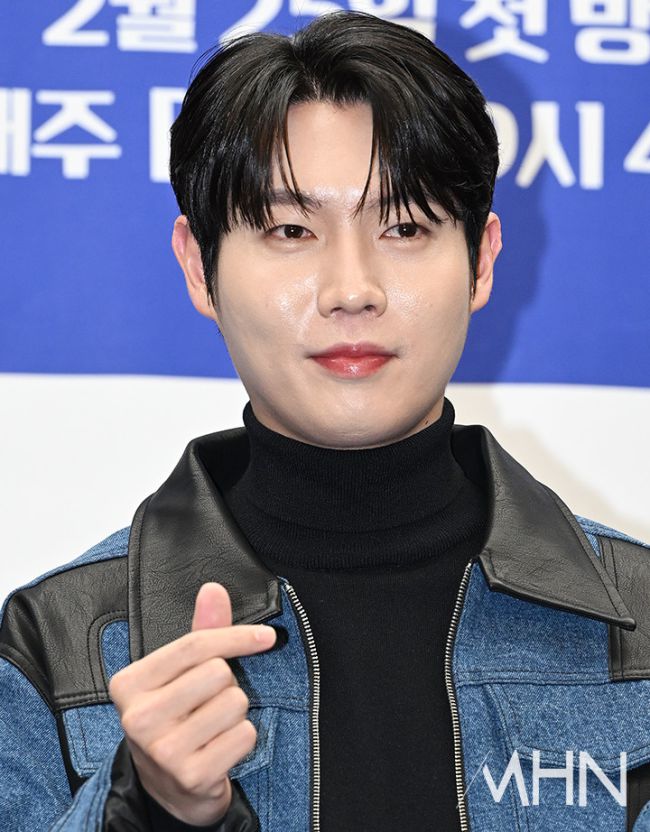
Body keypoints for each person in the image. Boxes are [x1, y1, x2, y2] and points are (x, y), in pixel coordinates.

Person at [1, 9, 649, 832]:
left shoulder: (641, 625)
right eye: (290, 230)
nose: (352, 289)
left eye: (405, 227)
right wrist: (149, 809)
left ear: (481, 261)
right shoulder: (56, 646)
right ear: (199, 267)